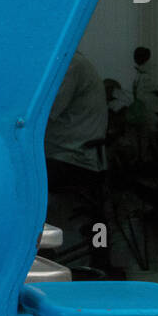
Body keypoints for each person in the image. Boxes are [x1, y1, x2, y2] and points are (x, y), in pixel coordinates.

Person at [45, 51, 110, 269]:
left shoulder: (70, 64)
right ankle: (43, 251)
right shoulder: (72, 62)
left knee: (21, 184)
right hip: (76, 157)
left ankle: (40, 254)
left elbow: (47, 111)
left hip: (74, 159)